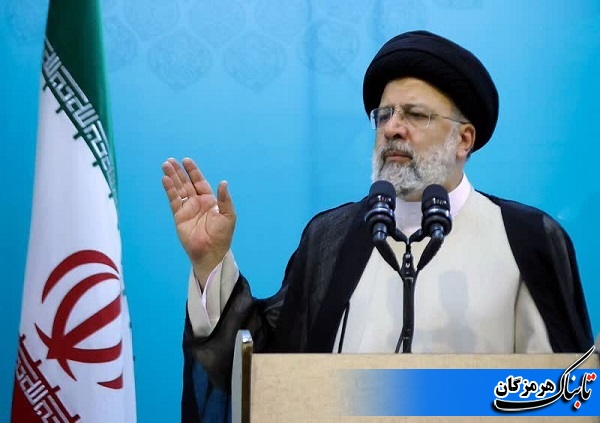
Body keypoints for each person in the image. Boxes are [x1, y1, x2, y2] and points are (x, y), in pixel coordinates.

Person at [161, 30, 594, 422]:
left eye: (415, 115)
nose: (392, 129)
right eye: (383, 115)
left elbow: (566, 397)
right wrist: (211, 262)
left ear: (464, 140)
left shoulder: (526, 239)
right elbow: (266, 370)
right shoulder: (332, 237)